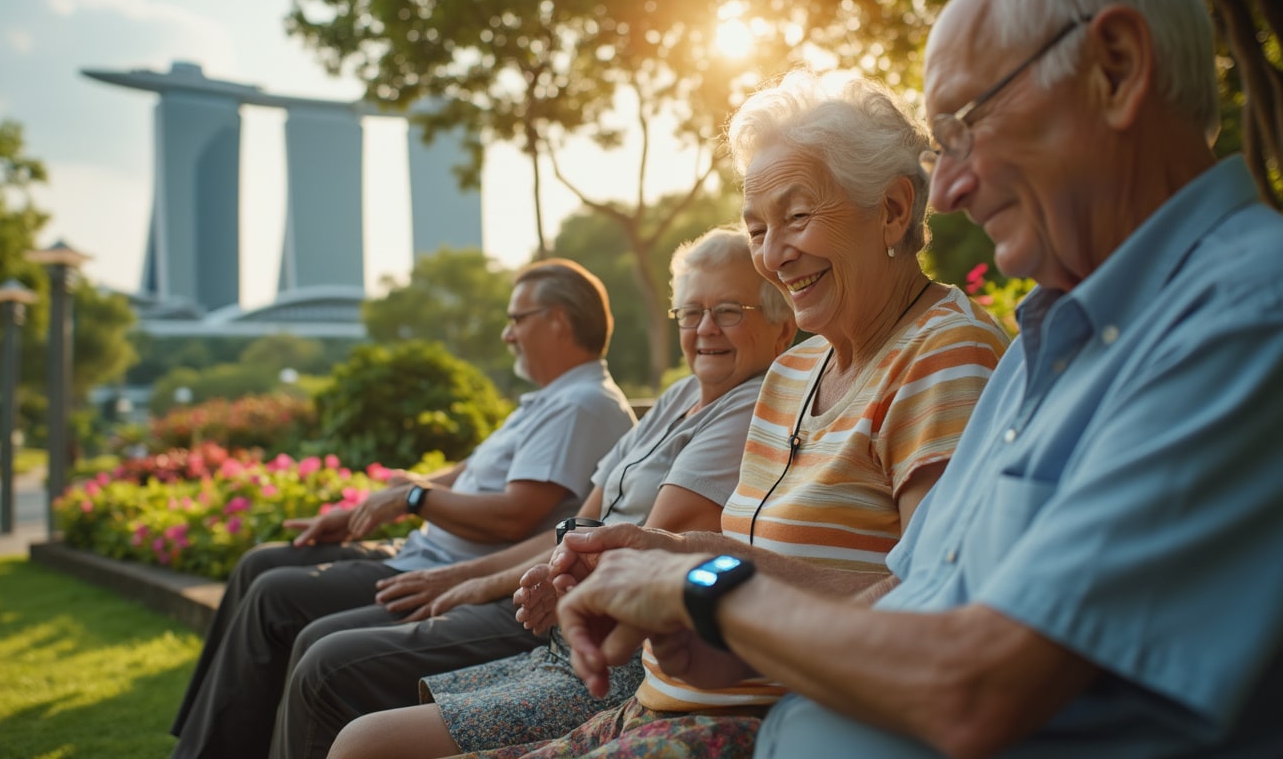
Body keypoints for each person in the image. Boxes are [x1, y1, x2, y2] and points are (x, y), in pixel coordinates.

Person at [549, 0, 1283, 757]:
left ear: (1118, 69)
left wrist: (708, 593)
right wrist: (720, 618)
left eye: (967, 127)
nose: (954, 188)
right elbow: (914, 594)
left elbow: (978, 688)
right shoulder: (1054, 341)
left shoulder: (1242, 316)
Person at [336, 72, 1012, 759]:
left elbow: (933, 604)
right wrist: (659, 560)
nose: (774, 256)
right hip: (661, 696)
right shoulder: (794, 370)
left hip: (760, 725)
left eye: (798, 216)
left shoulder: (947, 356)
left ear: (894, 210)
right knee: (365, 745)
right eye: (757, 229)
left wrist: (702, 571)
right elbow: (736, 555)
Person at [271, 227, 798, 758]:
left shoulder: (752, 404)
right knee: (337, 684)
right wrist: (485, 577)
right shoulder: (683, 393)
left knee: (343, 696)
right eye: (690, 312)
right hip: (561, 637)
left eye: (729, 310)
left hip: (613, 666)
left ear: (783, 325)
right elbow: (577, 529)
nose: (705, 328)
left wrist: (484, 582)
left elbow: (639, 550)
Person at [170, 259, 638, 759]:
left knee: (278, 602)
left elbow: (515, 516)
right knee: (259, 566)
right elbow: (465, 471)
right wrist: (375, 505)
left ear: (558, 320)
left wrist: (414, 500)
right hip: (423, 554)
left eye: (516, 318)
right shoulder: (552, 400)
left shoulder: (581, 404)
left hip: (448, 571)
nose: (507, 334)